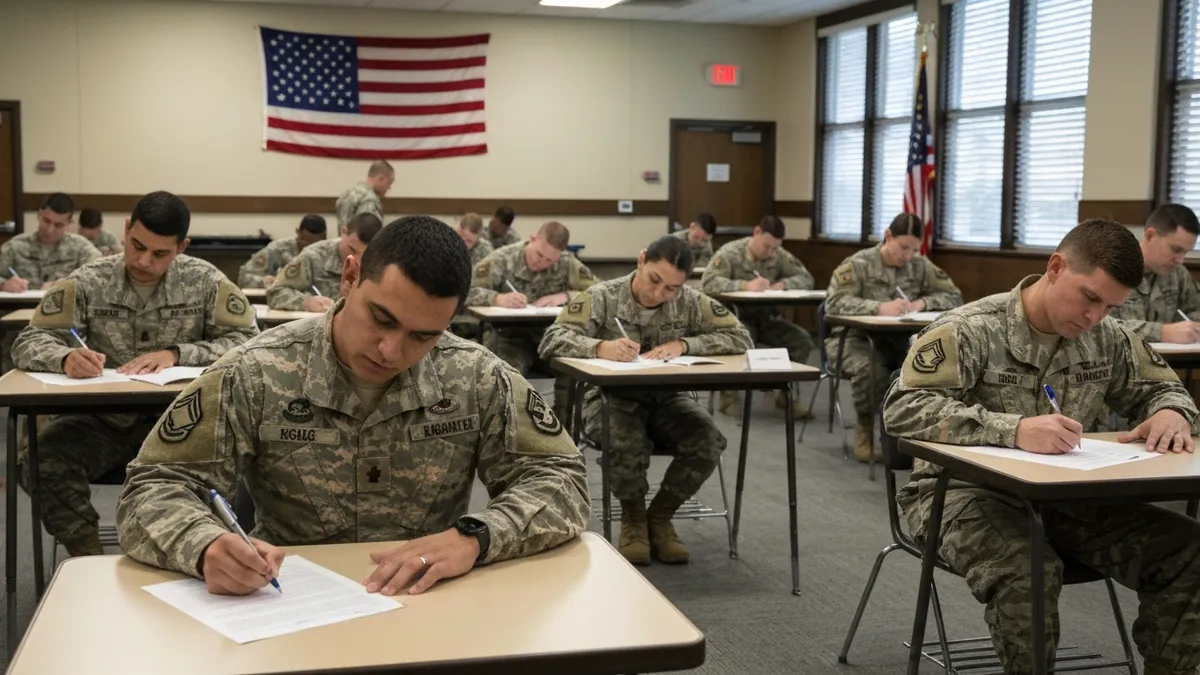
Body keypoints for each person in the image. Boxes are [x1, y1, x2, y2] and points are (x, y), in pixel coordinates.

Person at [116, 215, 589, 598]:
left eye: (423, 336)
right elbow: (153, 487)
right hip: (287, 605)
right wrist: (205, 546)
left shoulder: (476, 377)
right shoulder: (257, 372)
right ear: (349, 277)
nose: (391, 350)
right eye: (381, 318)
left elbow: (562, 480)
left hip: (427, 604)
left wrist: (476, 537)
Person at [884, 218, 1200, 675]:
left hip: (1067, 495)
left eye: (1111, 307)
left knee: (1188, 550)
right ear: (1055, 267)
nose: (1095, 316)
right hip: (959, 495)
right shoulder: (970, 329)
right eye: (1090, 297)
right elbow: (903, 408)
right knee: (1028, 569)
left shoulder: (1106, 336)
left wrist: (1172, 412)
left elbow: (1163, 390)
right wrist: (1011, 429)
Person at [13, 191, 258, 557]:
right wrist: (64, 357)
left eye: (160, 253)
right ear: (126, 230)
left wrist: (177, 354)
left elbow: (248, 342)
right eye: (136, 245)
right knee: (41, 459)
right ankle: (86, 553)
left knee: (246, 460)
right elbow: (30, 339)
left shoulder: (205, 281)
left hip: (183, 424)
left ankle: (205, 552)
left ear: (182, 246)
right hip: (102, 424)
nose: (144, 260)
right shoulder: (88, 280)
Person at [539, 235, 752, 565]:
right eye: (655, 280)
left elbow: (741, 337)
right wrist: (599, 347)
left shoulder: (690, 302)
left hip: (666, 398)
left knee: (707, 441)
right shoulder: (602, 297)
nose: (659, 293)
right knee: (626, 440)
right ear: (641, 261)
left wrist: (685, 344)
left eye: (671, 288)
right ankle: (634, 519)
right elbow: (552, 339)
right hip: (610, 398)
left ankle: (660, 516)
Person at [825, 213, 963, 462]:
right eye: (903, 247)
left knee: (929, 370)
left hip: (899, 340)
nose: (907, 255)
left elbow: (954, 297)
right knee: (871, 370)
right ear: (888, 237)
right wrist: (878, 307)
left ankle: (913, 437)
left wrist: (922, 303)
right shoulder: (858, 263)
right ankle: (864, 430)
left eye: (913, 249)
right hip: (853, 339)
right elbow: (834, 303)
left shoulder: (920, 265)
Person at [467, 221, 595, 418]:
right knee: (505, 373)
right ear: (533, 239)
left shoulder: (566, 263)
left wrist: (566, 296)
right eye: (539, 254)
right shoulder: (503, 259)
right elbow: (465, 291)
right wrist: (496, 298)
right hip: (508, 336)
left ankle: (563, 428)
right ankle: (509, 428)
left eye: (550, 261)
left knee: (573, 368)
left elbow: (599, 292)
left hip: (549, 336)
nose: (542, 262)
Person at [701, 215, 815, 419]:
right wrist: (744, 286)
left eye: (774, 248)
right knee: (742, 338)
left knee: (801, 340)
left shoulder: (778, 255)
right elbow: (709, 282)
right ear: (756, 233)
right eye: (766, 246)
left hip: (765, 319)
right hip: (734, 321)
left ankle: (784, 394)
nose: (770, 252)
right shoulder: (730, 253)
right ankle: (728, 396)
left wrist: (784, 285)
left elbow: (806, 278)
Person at [1111, 203, 1200, 343]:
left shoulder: (1178, 274)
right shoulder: (1112, 268)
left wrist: (1193, 328)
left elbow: (1196, 310)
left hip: (1171, 362)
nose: (1180, 260)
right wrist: (1161, 333)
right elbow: (1099, 327)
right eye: (1176, 250)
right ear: (1150, 236)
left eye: (1185, 252)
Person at [267, 213, 381, 312]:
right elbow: (275, 292)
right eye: (352, 250)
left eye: (366, 255)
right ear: (343, 232)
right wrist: (306, 303)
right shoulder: (314, 256)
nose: (357, 260)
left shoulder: (382, 262)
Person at [0, 192, 99, 291]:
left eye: (58, 225)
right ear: (39, 215)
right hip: (22, 305)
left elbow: (100, 277)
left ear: (69, 223)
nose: (49, 229)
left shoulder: (81, 248)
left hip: (65, 305)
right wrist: (4, 284)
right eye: (46, 221)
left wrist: (69, 285)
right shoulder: (16, 246)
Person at [237, 214, 328, 289]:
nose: (307, 247)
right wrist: (263, 281)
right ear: (298, 232)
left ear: (324, 238)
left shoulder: (330, 253)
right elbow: (244, 278)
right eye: (304, 240)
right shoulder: (279, 249)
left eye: (314, 243)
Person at [335, 160, 393, 227]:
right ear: (381, 178)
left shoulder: (346, 194)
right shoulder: (370, 200)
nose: (389, 187)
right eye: (389, 183)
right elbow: (369, 231)